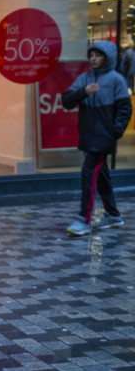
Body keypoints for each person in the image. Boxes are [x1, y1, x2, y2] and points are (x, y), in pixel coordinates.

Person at [63, 41, 132, 236]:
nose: (93, 59)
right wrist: (84, 92)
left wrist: (113, 132)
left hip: (103, 138)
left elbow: (125, 110)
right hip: (89, 136)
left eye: (98, 55)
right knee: (101, 176)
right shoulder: (84, 78)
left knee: (89, 172)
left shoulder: (117, 80)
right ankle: (114, 215)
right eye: (91, 55)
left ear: (107, 57)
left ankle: (83, 220)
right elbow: (66, 101)